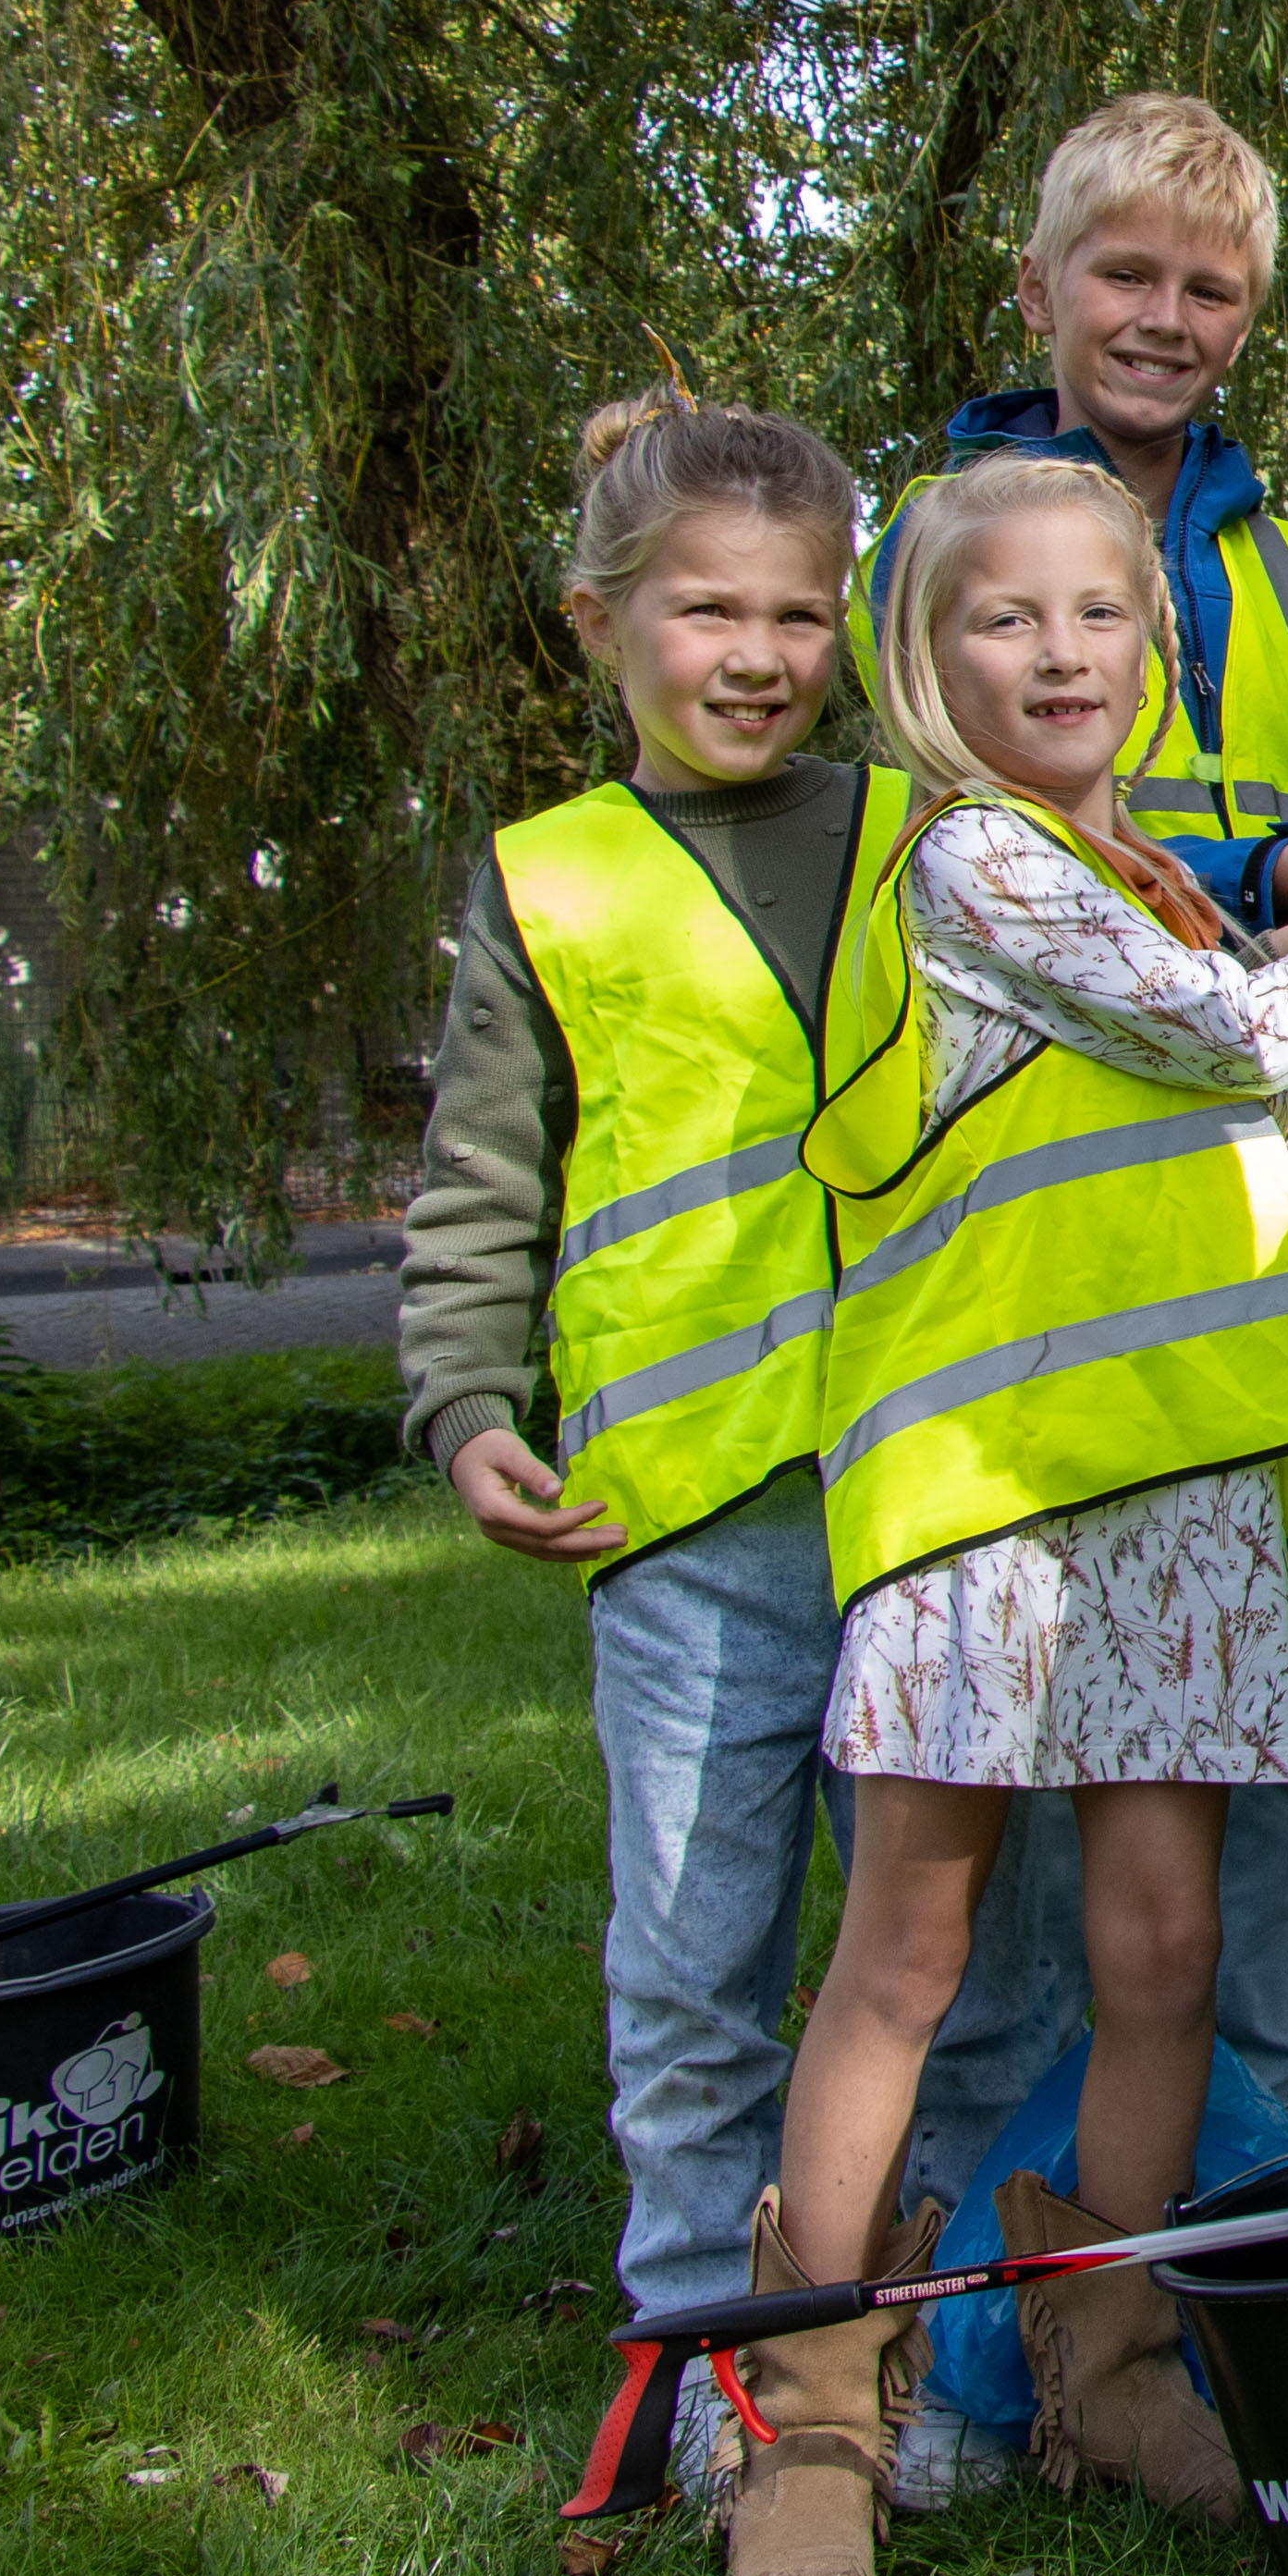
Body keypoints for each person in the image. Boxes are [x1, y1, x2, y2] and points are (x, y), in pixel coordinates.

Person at [717, 453, 1288, 2576]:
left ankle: (1107, 2343)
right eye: (1004, 618)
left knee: (1162, 1956)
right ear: (924, 657)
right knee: (911, 1946)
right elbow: (1244, 1026)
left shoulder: (1134, 871)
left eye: (1098, 613)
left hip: (1171, 1493)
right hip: (989, 1496)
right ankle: (816, 2412)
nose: (1059, 651)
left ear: (1152, 644)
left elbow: (1243, 1121)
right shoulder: (974, 861)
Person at [402, 392, 1103, 2371]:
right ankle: (713, 2345)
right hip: (689, 1515)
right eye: (709, 609)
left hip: (940, 1485)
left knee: (972, 1963)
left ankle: (961, 2342)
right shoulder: (545, 881)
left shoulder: (927, 835)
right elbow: (480, 1183)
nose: (758, 656)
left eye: (801, 615)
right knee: (697, 1964)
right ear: (596, 618)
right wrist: (466, 1407)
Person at [850, 92, 1288, 2140]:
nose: (1163, 316)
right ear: (1040, 288)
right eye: (1125, 274)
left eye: (1207, 285)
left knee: (1213, 1765)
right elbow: (933, 811)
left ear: (1247, 312)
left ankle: (1228, 2197)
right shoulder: (932, 528)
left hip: (1225, 1205)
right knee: (965, 1852)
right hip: (1023, 1224)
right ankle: (959, 2219)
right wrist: (1285, 906)